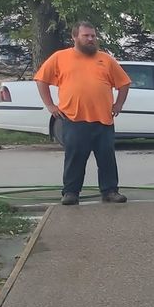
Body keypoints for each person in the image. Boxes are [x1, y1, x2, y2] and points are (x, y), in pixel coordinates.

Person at [34, 22, 132, 205]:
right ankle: (71, 193)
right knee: (75, 158)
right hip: (74, 118)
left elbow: (124, 83)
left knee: (106, 158)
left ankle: (110, 191)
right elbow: (41, 79)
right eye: (86, 36)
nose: (91, 39)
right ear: (75, 37)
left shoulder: (106, 59)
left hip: (104, 120)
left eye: (93, 36)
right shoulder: (60, 57)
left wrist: (119, 104)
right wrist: (50, 105)